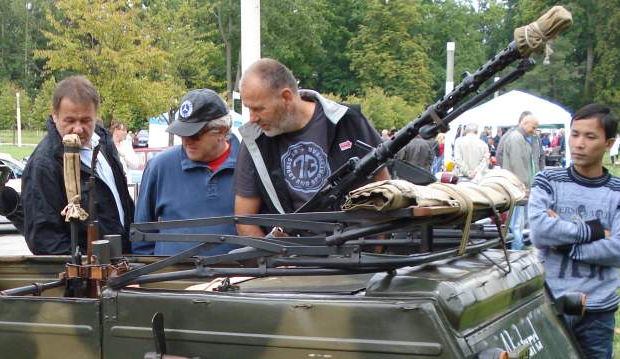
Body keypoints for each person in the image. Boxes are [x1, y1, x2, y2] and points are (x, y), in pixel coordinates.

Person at [529, 103, 620, 359]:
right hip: (551, 303)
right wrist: (593, 231)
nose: (579, 144)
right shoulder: (547, 180)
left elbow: (618, 251)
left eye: (590, 137)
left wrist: (565, 244)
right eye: (575, 134)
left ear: (609, 143)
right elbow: (540, 232)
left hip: (598, 309)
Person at [233, 58, 387, 236]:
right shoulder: (255, 141)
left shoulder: (348, 121)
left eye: (259, 109)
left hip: (353, 252)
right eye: (248, 109)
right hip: (292, 257)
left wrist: (371, 255)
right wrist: (279, 260)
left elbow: (385, 191)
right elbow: (244, 220)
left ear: (286, 97)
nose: (252, 118)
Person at [21, 75, 133, 254]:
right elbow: (45, 240)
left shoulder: (102, 142)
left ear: (96, 115)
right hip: (92, 274)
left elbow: (123, 202)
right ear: (55, 114)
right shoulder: (44, 165)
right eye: (70, 121)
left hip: (123, 264)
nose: (78, 129)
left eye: (86, 120)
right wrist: (88, 271)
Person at [132, 89, 240, 256]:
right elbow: (141, 237)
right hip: (171, 279)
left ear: (221, 130)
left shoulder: (250, 165)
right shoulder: (159, 167)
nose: (186, 141)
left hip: (238, 280)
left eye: (194, 135)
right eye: (182, 133)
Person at [497, 112, 545, 249]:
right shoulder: (517, 139)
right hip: (517, 189)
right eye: (533, 127)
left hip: (518, 188)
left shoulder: (520, 138)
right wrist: (524, 187)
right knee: (516, 222)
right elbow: (518, 165)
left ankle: (518, 246)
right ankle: (516, 249)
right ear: (524, 123)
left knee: (518, 220)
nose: (534, 131)